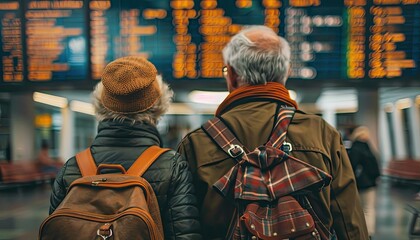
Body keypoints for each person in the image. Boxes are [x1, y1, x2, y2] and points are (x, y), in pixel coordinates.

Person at [178, 25, 368, 239]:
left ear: (231, 75)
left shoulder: (196, 143)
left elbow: (184, 228)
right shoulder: (322, 133)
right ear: (286, 73)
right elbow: (348, 218)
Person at [49, 56, 201, 239]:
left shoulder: (72, 168)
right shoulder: (173, 166)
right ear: (159, 105)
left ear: (100, 104)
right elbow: (184, 235)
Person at [348, 126, 381, 237]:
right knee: (369, 209)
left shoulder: (354, 148)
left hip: (357, 183)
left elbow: (351, 166)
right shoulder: (368, 148)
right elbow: (375, 168)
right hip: (370, 183)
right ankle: (369, 233)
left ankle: (360, 232)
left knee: (358, 209)